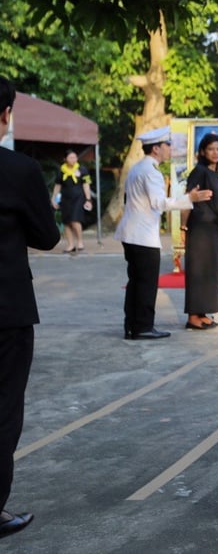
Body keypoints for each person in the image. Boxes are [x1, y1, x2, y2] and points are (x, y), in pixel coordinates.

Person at [0, 76, 61, 538]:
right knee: (3, 410)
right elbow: (48, 236)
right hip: (6, 310)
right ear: (4, 116)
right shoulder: (18, 171)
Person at [114, 126, 212, 340]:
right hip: (142, 236)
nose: (170, 149)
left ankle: (132, 325)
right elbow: (159, 203)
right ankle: (142, 327)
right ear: (156, 149)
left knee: (136, 283)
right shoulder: (151, 172)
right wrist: (189, 199)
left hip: (132, 234)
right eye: (167, 145)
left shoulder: (139, 168)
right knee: (146, 284)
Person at [181, 133, 218, 330]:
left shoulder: (215, 173)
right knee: (198, 271)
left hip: (212, 230)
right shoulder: (198, 172)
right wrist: (183, 226)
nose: (215, 153)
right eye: (211, 149)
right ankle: (193, 315)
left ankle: (203, 312)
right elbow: (187, 200)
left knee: (210, 271)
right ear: (202, 151)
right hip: (200, 229)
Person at [51, 149, 93, 254]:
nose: (73, 159)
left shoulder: (83, 170)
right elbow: (57, 186)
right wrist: (54, 199)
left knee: (75, 220)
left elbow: (86, 185)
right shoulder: (61, 171)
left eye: (75, 157)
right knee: (66, 222)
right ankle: (70, 245)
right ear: (65, 159)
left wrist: (88, 199)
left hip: (78, 199)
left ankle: (80, 242)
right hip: (65, 199)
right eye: (71, 157)